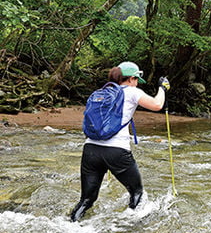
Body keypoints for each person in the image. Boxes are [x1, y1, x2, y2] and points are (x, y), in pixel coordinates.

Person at [70, 61, 170, 222]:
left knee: (86, 200)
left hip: (90, 149)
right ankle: (126, 229)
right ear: (131, 79)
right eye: (136, 80)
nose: (137, 84)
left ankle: (72, 225)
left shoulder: (102, 92)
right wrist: (162, 88)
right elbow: (157, 104)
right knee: (137, 193)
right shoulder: (132, 92)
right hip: (117, 151)